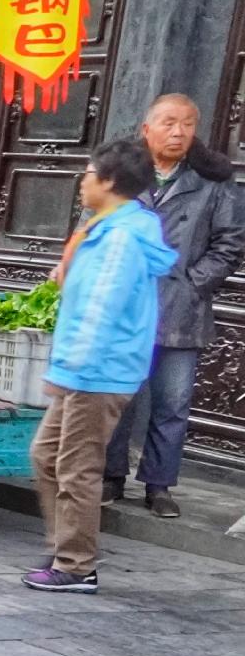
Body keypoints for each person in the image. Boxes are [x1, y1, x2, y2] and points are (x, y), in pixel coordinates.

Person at [27, 138, 178, 594]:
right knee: (46, 455)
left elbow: (101, 308)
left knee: (76, 467)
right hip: (87, 366)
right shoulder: (104, 227)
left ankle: (76, 565)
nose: (82, 181)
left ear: (110, 182)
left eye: (90, 173)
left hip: (98, 368)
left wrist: (67, 367)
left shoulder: (122, 237)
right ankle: (66, 546)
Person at [103, 94, 243, 518]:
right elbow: (93, 226)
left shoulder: (213, 183)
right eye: (168, 122)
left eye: (186, 124)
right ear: (147, 129)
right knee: (119, 396)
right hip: (127, 307)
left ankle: (159, 484)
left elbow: (231, 243)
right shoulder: (123, 175)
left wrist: (194, 283)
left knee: (173, 401)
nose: (178, 131)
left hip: (182, 308)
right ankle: (110, 475)